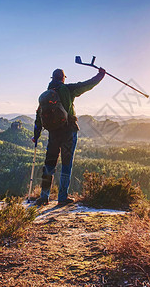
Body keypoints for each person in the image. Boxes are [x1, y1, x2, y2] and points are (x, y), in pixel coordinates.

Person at [32, 67, 106, 206]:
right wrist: (100, 75)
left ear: (52, 79)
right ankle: (62, 197)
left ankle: (44, 196)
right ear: (63, 78)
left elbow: (38, 117)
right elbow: (86, 85)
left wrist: (36, 136)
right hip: (68, 131)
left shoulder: (45, 96)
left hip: (53, 133)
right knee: (66, 164)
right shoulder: (67, 89)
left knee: (49, 164)